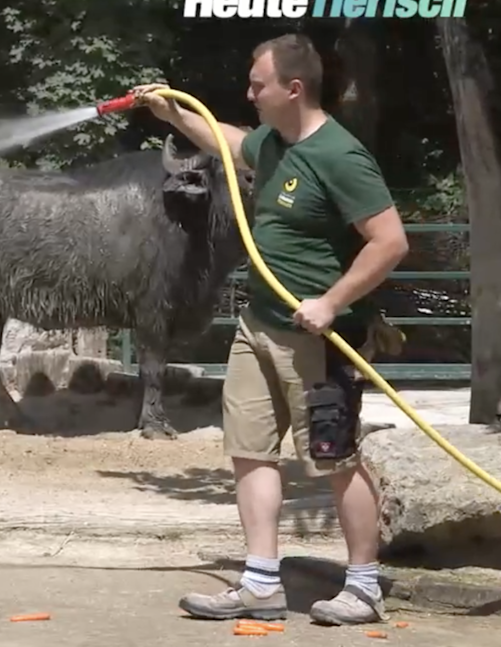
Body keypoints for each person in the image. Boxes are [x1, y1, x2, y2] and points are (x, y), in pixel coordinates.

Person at [132, 33, 409, 626]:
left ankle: (363, 587)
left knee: (334, 458)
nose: (248, 93)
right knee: (249, 453)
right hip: (257, 325)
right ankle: (261, 581)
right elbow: (232, 143)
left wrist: (334, 301)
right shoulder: (275, 142)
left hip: (316, 338)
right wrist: (172, 113)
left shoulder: (341, 157)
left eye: (258, 85)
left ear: (294, 88)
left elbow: (390, 242)